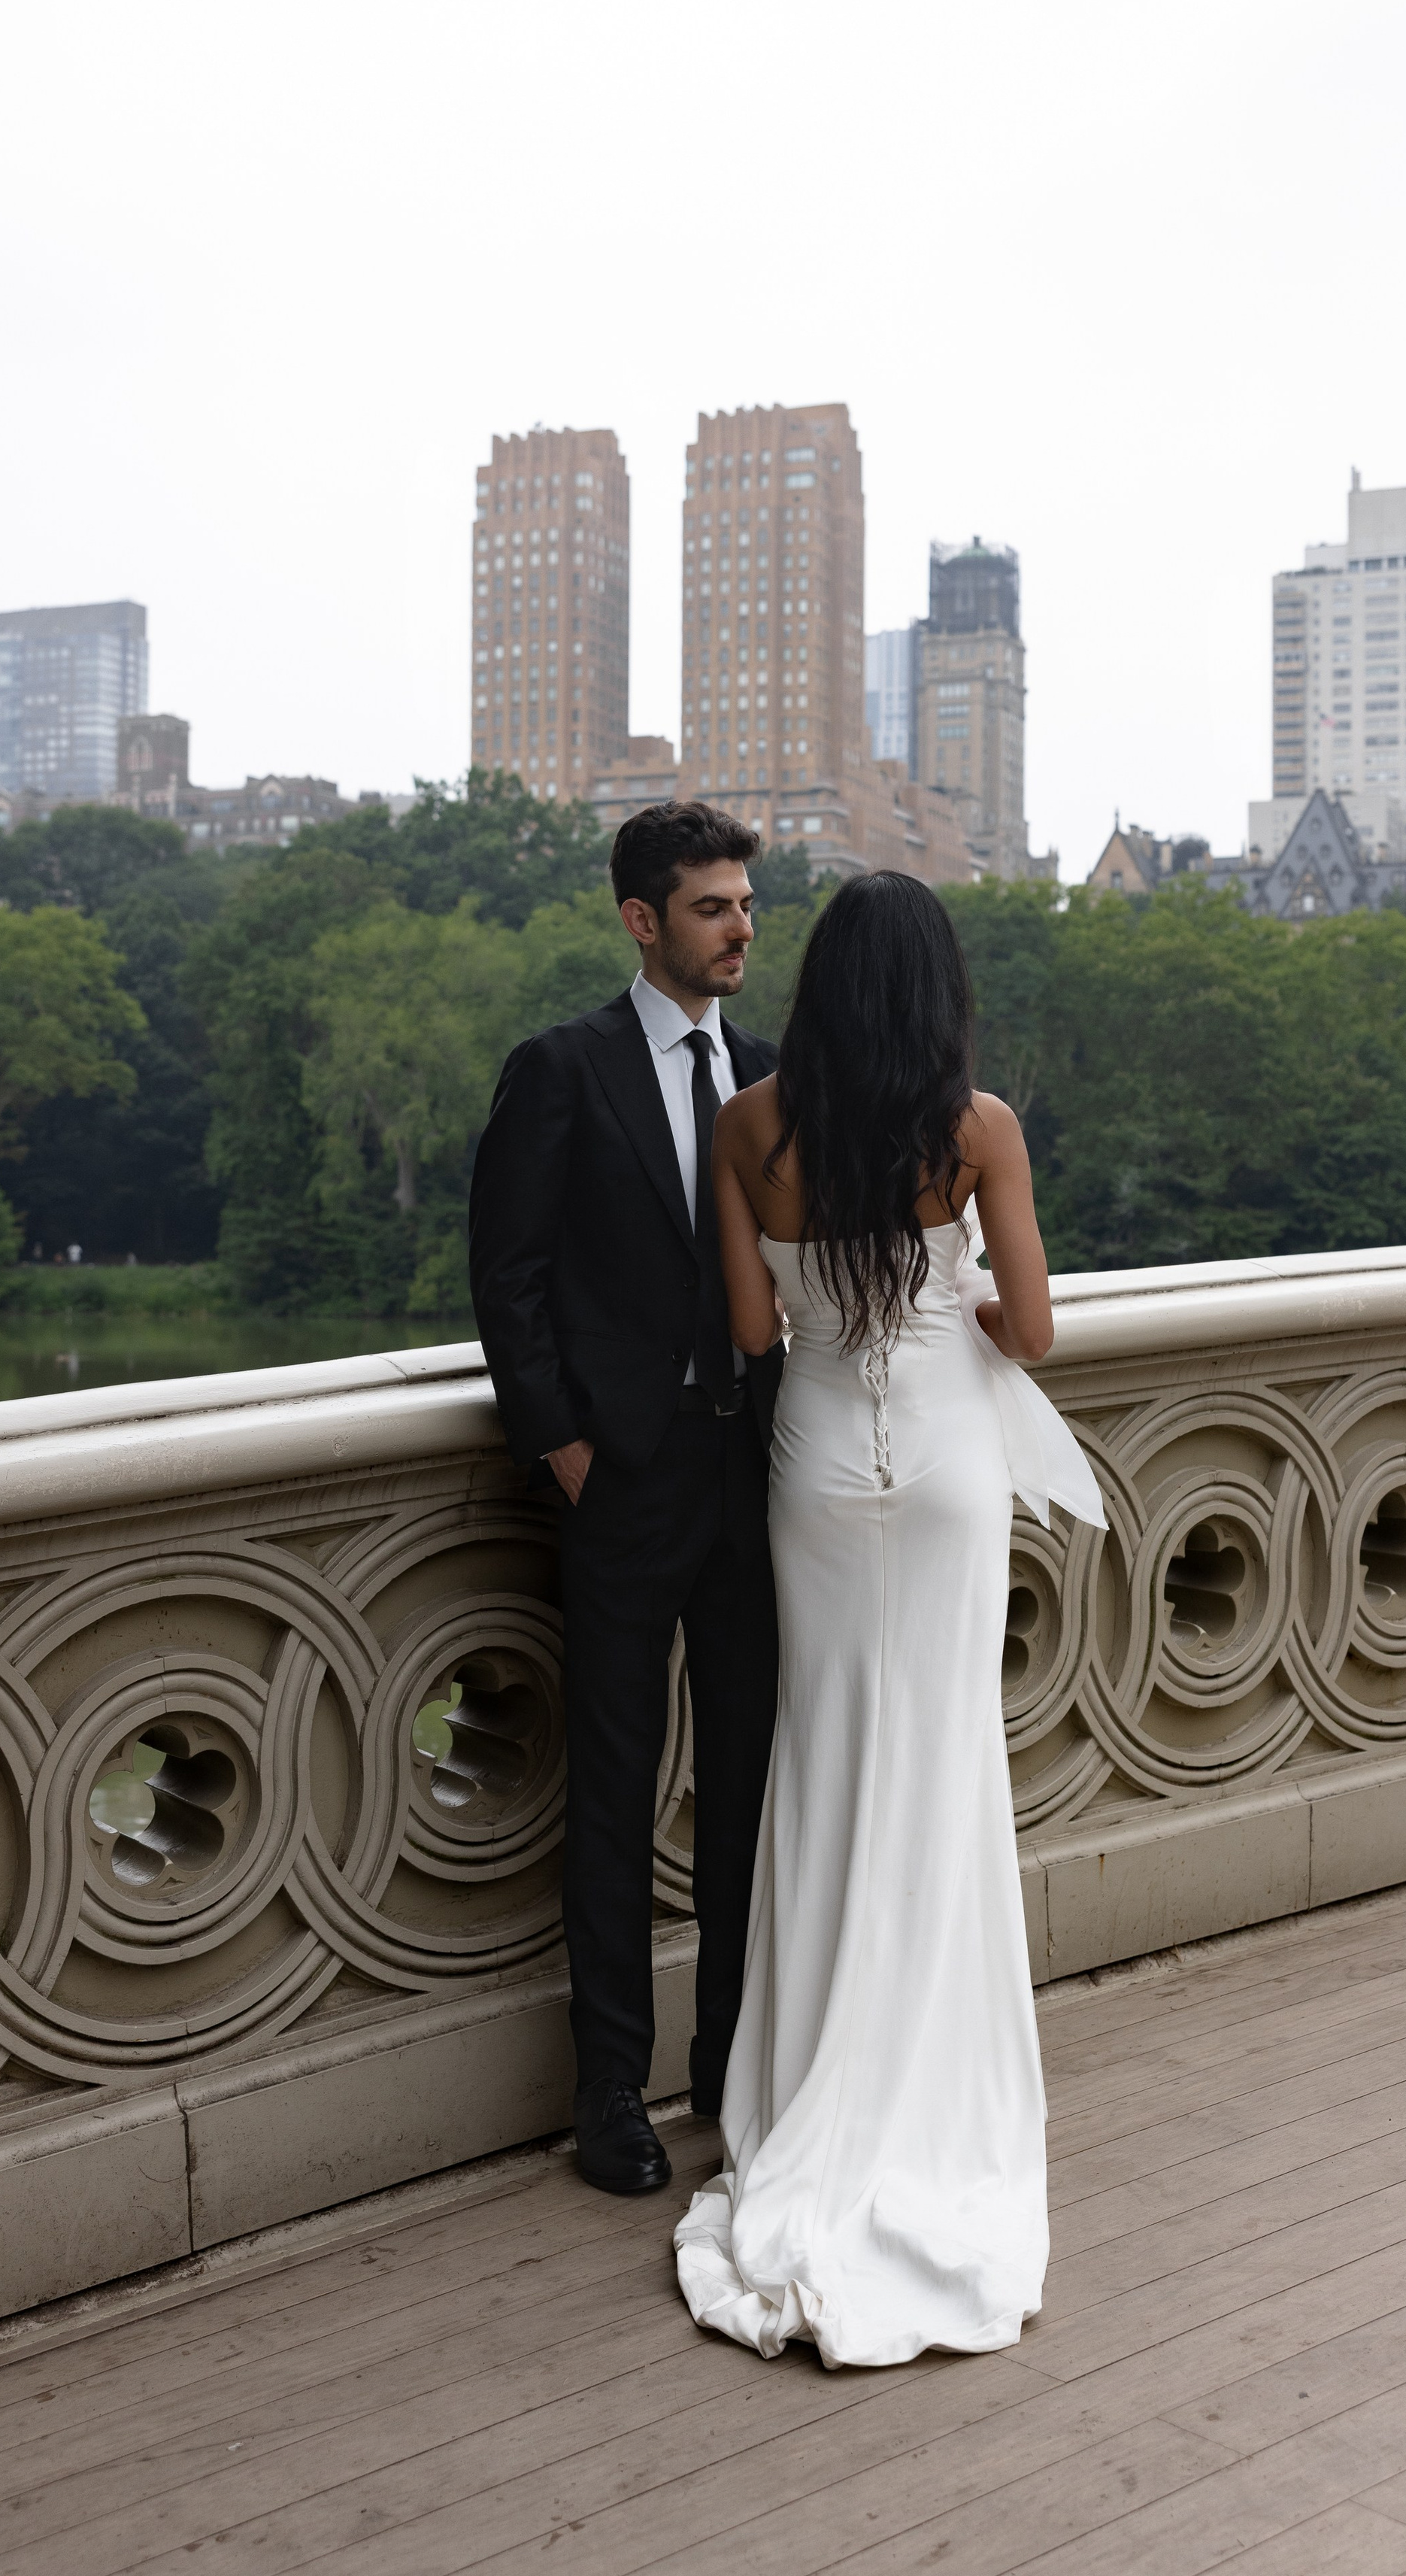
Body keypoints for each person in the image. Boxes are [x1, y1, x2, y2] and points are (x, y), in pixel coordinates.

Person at [673, 868, 1103, 2368]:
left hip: (811, 1474)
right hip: (942, 1470)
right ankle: (927, 2075)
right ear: (934, 990)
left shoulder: (747, 1125)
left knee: (828, 1755)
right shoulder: (976, 1129)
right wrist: (959, 1305)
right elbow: (1032, 1331)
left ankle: (812, 2078)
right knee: (940, 1759)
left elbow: (751, 1329)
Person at [468, 802, 783, 2198]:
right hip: (624, 1484)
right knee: (610, 1791)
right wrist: (564, 1446)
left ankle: (730, 2066)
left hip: (756, 1478)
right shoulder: (562, 1069)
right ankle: (611, 2090)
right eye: (713, 907)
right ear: (641, 920)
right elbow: (509, 1275)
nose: (741, 928)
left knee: (749, 1785)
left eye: (747, 904)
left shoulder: (771, 1078)